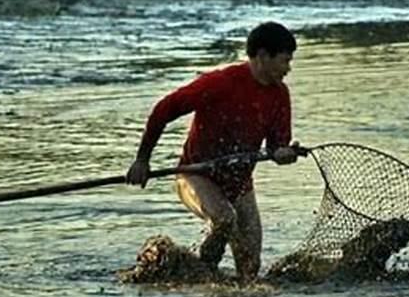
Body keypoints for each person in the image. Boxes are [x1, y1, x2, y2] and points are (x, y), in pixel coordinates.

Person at [126, 21, 299, 281]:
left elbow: (276, 148)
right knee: (225, 218)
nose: (288, 69)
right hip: (195, 175)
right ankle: (203, 276)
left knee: (250, 266)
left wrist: (284, 154)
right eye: (284, 61)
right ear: (262, 56)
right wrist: (142, 160)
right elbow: (164, 109)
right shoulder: (220, 83)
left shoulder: (279, 95)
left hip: (239, 183)